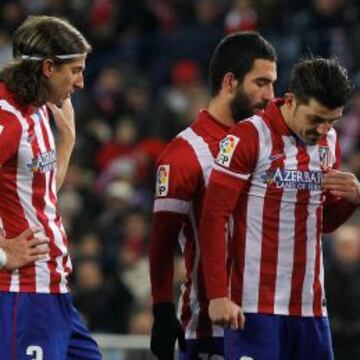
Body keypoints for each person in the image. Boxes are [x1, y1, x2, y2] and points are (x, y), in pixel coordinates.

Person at [199, 57, 358, 360]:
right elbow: (213, 217)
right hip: (254, 306)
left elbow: (320, 221)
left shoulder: (329, 142)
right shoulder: (249, 136)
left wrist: (351, 202)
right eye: (316, 119)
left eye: (333, 121)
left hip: (310, 306)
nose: (324, 129)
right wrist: (218, 294)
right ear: (291, 100)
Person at [150, 31, 277, 360]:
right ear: (230, 82)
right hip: (211, 331)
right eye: (261, 83)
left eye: (273, 83)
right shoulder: (184, 153)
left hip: (270, 320)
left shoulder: (270, 144)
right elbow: (162, 242)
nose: (270, 96)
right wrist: (162, 310)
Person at [0, 15, 102, 359]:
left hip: (53, 288)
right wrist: (1, 252)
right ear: (48, 68)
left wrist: (68, 141)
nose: (80, 83)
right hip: (23, 290)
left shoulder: (39, 110)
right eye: (75, 70)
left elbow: (41, 193)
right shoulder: (6, 118)